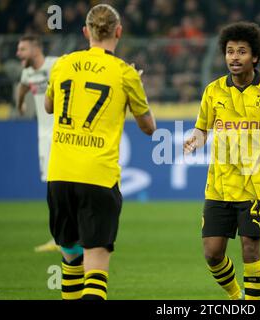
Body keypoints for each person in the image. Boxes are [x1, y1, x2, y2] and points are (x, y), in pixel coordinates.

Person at [44, 4, 156, 300]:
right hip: (97, 177)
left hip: (59, 175)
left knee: (70, 259)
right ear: (118, 32)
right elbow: (149, 127)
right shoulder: (124, 73)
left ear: (86, 32)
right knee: (95, 268)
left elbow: (48, 107)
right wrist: (136, 84)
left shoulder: (63, 64)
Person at [184, 22, 260, 300]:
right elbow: (202, 128)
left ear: (254, 57)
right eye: (230, 51)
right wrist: (195, 139)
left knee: (250, 249)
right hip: (218, 185)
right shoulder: (214, 90)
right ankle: (236, 297)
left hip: (254, 183)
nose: (234, 57)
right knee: (212, 253)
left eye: (241, 52)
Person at [16, 35, 60, 253]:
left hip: (62, 135)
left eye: (22, 49)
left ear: (35, 50)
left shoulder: (56, 65)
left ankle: (63, 236)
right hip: (44, 138)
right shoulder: (28, 73)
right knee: (53, 187)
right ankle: (61, 235)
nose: (18, 53)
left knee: (58, 187)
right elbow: (23, 87)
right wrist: (20, 104)